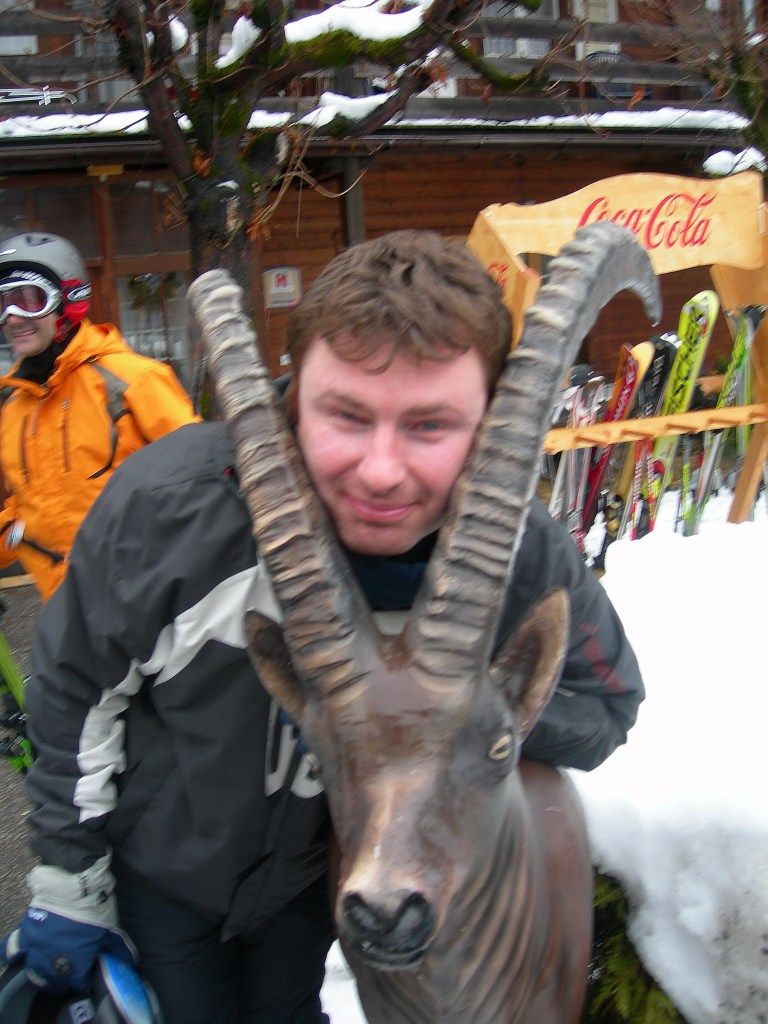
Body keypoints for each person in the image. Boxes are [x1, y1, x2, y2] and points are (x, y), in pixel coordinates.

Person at [1, 231, 644, 1023]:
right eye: (345, 414)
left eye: (431, 424)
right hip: (166, 875)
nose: (380, 470)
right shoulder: (168, 515)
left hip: (319, 884)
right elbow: (73, 692)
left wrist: (462, 719)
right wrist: (71, 882)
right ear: (292, 396)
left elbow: (605, 706)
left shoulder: (519, 553)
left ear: (486, 425)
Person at [0, 232, 199, 601]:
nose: (13, 318)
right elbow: (23, 511)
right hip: (64, 614)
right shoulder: (13, 410)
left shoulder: (132, 381)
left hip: (145, 601)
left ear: (68, 301)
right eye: (3, 303)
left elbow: (200, 480)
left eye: (29, 300)